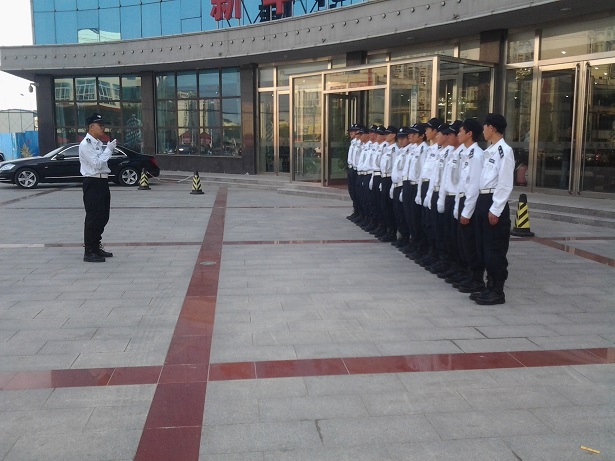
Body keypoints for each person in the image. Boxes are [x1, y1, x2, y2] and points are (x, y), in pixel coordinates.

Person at [473, 113, 515, 305]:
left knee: (494, 249)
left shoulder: (504, 151)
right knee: (484, 247)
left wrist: (496, 208)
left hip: (493, 200)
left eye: (485, 126)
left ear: (492, 128)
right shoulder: (490, 150)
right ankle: (489, 286)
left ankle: (497, 291)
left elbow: (505, 183)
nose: (483, 130)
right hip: (483, 198)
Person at [79, 113, 116, 262]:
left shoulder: (98, 143)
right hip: (92, 182)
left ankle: (96, 246)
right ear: (91, 127)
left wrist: (107, 149)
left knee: (103, 216)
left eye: (103, 125)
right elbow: (97, 164)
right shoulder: (86, 144)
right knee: (93, 217)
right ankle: (89, 251)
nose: (102, 128)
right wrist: (109, 150)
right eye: (99, 125)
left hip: (102, 182)